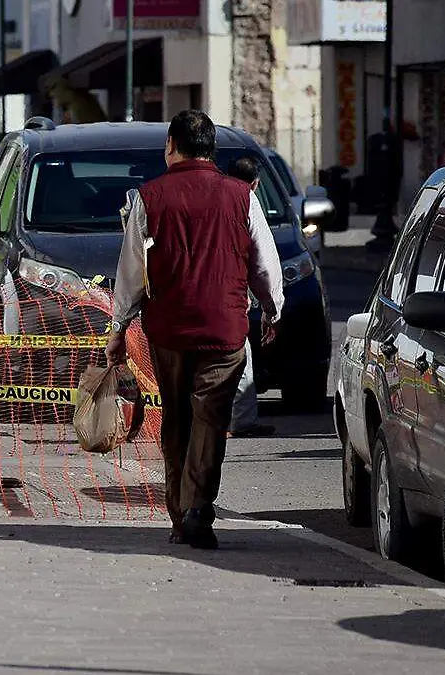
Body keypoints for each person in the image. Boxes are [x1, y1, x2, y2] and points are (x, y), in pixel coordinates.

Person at [106, 110, 284, 550]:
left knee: (177, 418)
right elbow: (264, 262)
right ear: (212, 150)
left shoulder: (149, 197)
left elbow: (130, 272)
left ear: (171, 145)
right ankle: (198, 507)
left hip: (168, 331)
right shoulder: (242, 196)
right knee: (211, 419)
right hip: (224, 330)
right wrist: (272, 311)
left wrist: (117, 329)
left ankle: (179, 513)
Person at [224, 156, 276, 438]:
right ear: (255, 184)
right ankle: (240, 422)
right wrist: (271, 308)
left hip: (183, 302)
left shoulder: (207, 196)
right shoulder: (246, 200)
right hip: (229, 302)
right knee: (240, 361)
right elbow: (263, 264)